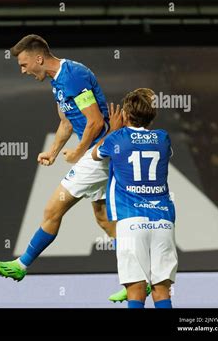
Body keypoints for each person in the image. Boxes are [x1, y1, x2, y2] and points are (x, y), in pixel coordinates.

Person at [0, 34, 115, 282]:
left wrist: (79, 152)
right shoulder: (58, 80)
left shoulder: (72, 77)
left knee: (52, 208)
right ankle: (140, 274)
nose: (23, 71)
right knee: (104, 218)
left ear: (39, 58)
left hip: (96, 155)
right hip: (97, 153)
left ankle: (22, 264)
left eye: (24, 64)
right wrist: (53, 151)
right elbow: (66, 122)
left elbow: (95, 121)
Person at [92, 89, 178, 308]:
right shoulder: (162, 138)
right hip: (163, 221)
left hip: (131, 222)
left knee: (135, 292)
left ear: (126, 115)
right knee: (162, 291)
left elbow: (95, 154)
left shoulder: (117, 138)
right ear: (151, 116)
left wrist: (112, 128)